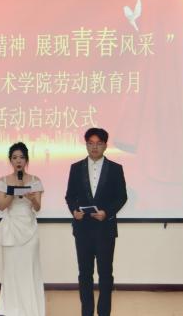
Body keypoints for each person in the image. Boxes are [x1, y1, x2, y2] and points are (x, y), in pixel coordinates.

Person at [65, 128, 128, 316]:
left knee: (105, 274)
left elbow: (122, 197)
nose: (94, 147)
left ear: (105, 146)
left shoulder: (115, 169)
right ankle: (86, 312)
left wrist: (106, 212)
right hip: (82, 230)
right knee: (85, 274)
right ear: (86, 145)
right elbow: (70, 196)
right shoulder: (76, 168)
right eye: (90, 143)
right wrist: (74, 211)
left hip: (105, 229)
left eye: (99, 143)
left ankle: (103, 313)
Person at [0, 142, 45, 316]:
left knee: (28, 269)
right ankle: (11, 310)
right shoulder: (3, 181)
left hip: (29, 229)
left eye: (22, 157)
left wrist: (32, 198)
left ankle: (31, 310)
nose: (18, 161)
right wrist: (12, 193)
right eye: (15, 158)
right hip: (11, 229)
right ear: (10, 160)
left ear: (26, 160)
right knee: (12, 270)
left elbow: (37, 207)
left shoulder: (35, 181)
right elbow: (1, 206)